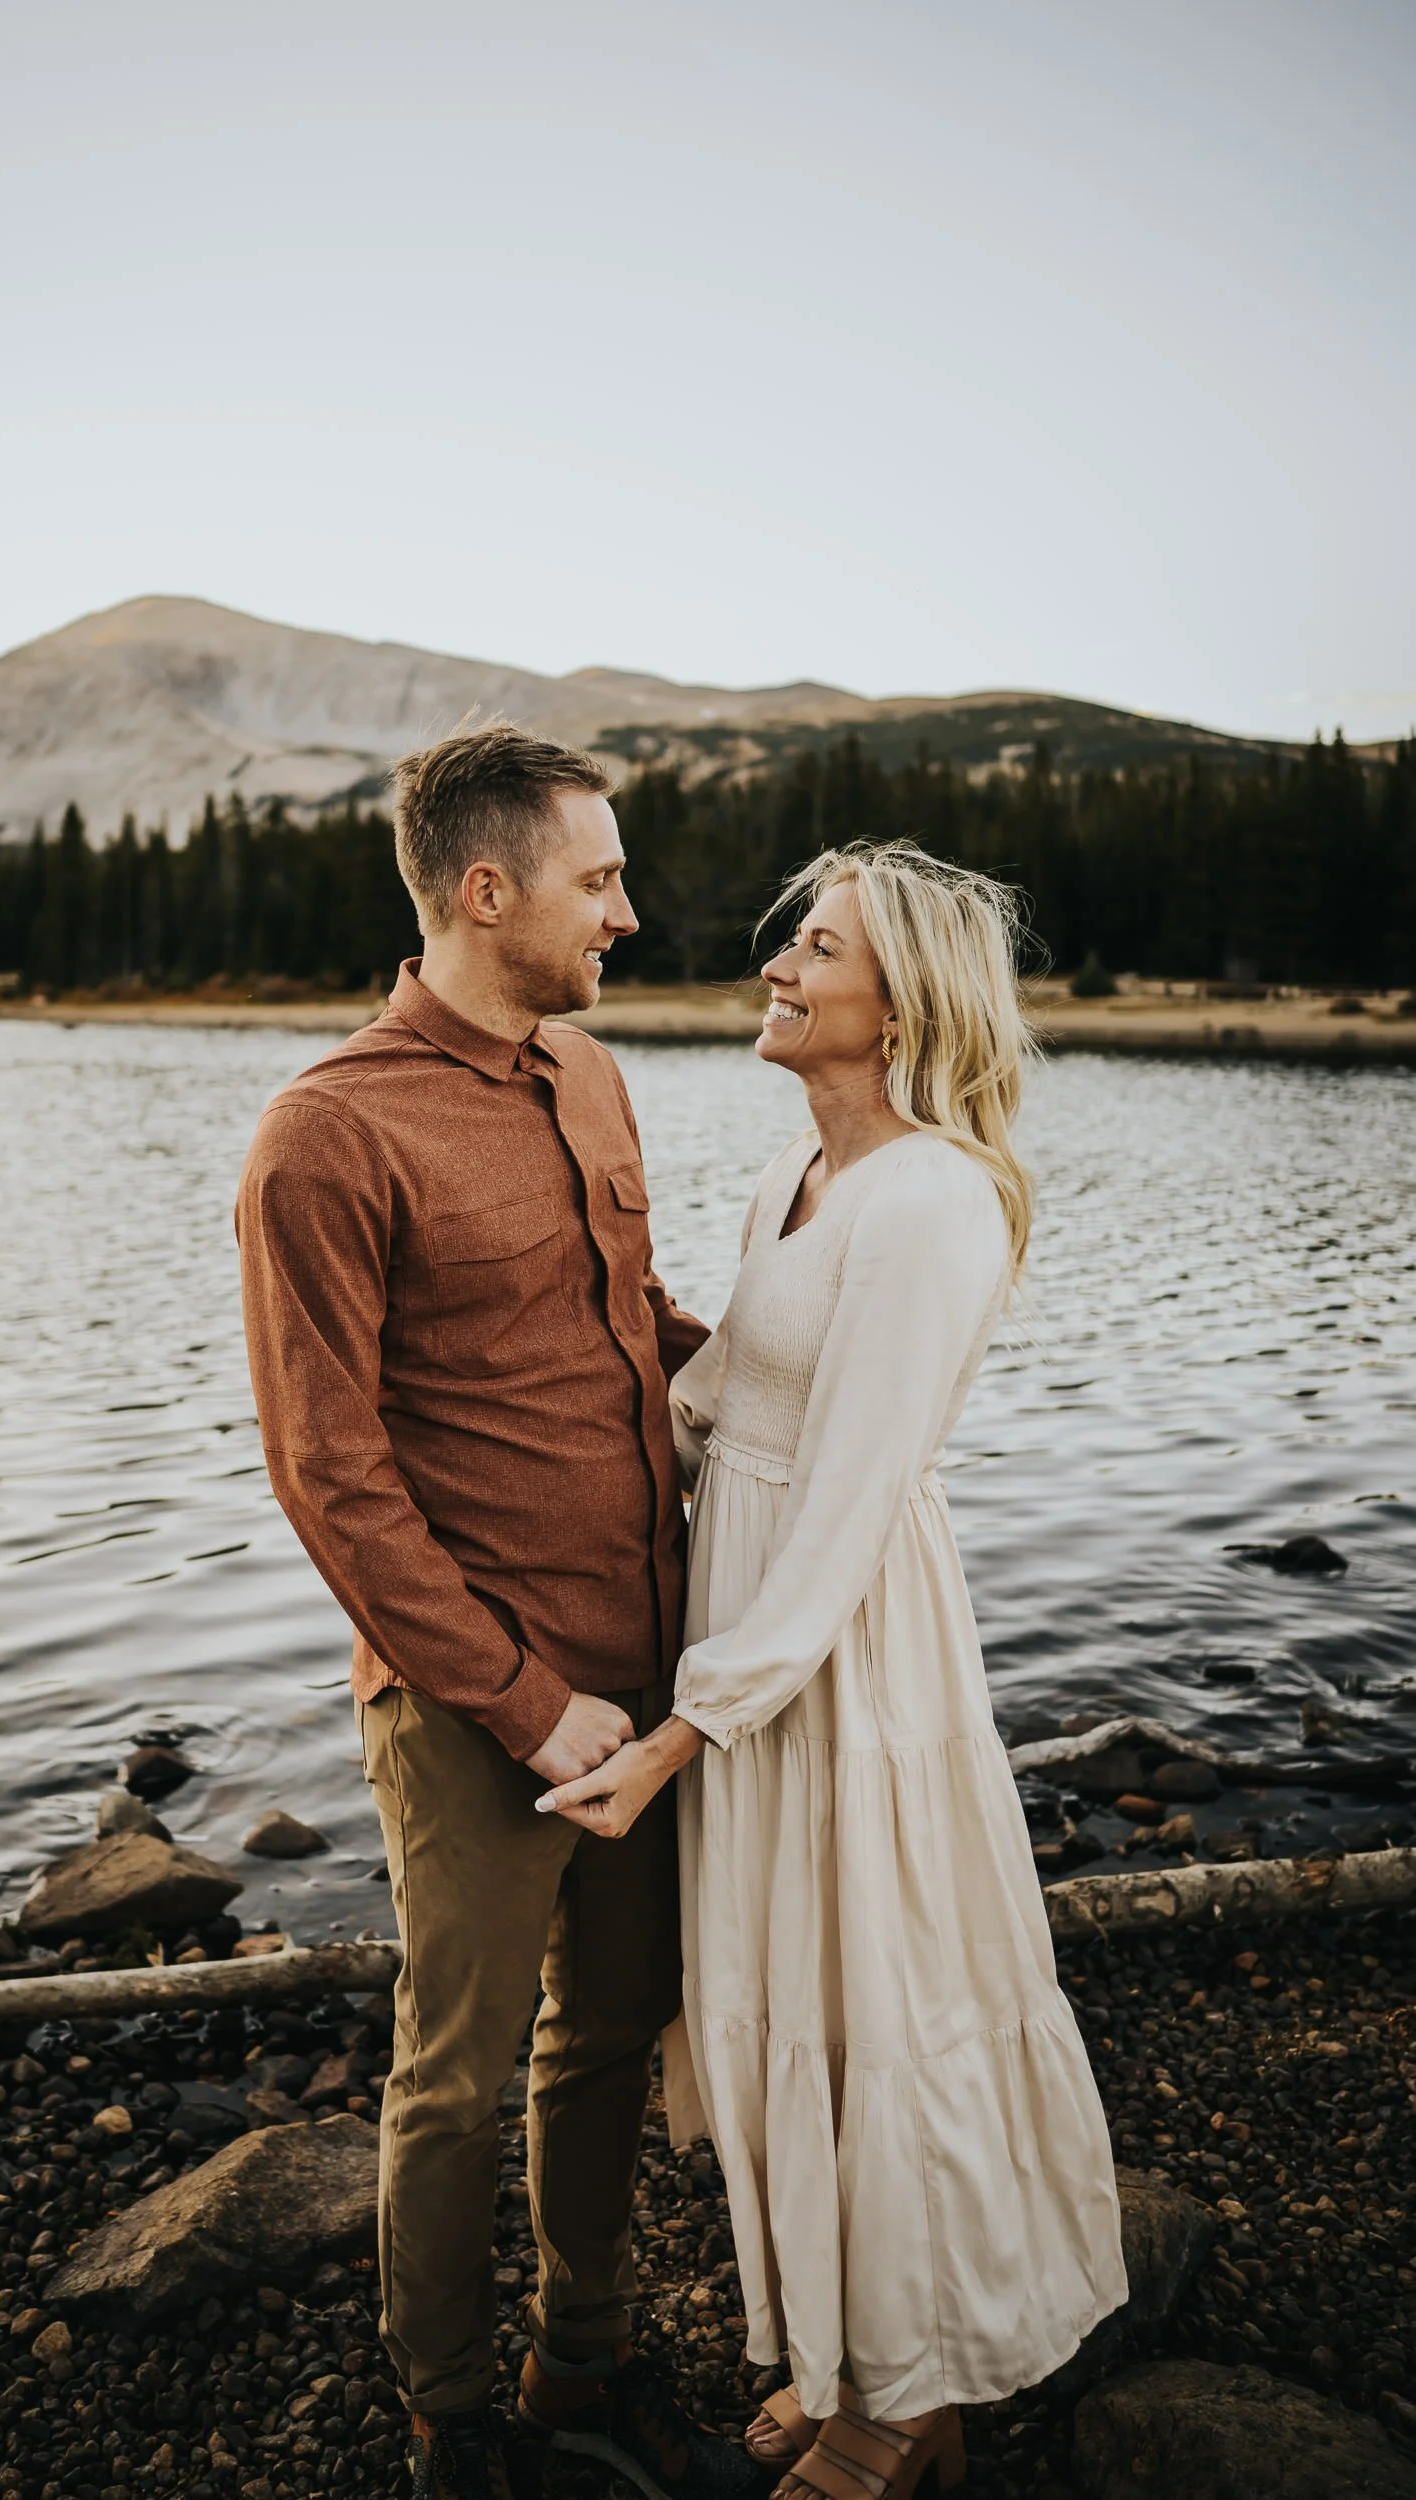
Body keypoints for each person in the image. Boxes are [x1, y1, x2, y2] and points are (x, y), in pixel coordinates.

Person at [538, 840, 1129, 2500]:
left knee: (877, 1995)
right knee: (784, 1990)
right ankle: (839, 2353)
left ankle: (912, 2393)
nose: (777, 963)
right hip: (755, 1618)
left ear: (902, 1001)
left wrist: (678, 1733)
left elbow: (855, 1496)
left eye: (818, 947)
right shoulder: (790, 1179)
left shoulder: (934, 1197)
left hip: (842, 1650)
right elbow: (718, 1402)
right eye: (792, 938)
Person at [236, 721, 763, 2500]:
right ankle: (451, 2423)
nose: (627, 910)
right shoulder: (326, 1135)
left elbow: (630, 1319)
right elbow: (331, 1472)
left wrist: (803, 1392)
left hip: (653, 1664)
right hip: (480, 1702)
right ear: (485, 890)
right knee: (453, 2079)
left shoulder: (591, 1076)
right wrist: (523, 1701)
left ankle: (581, 2368)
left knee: (610, 2032)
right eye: (598, 877)